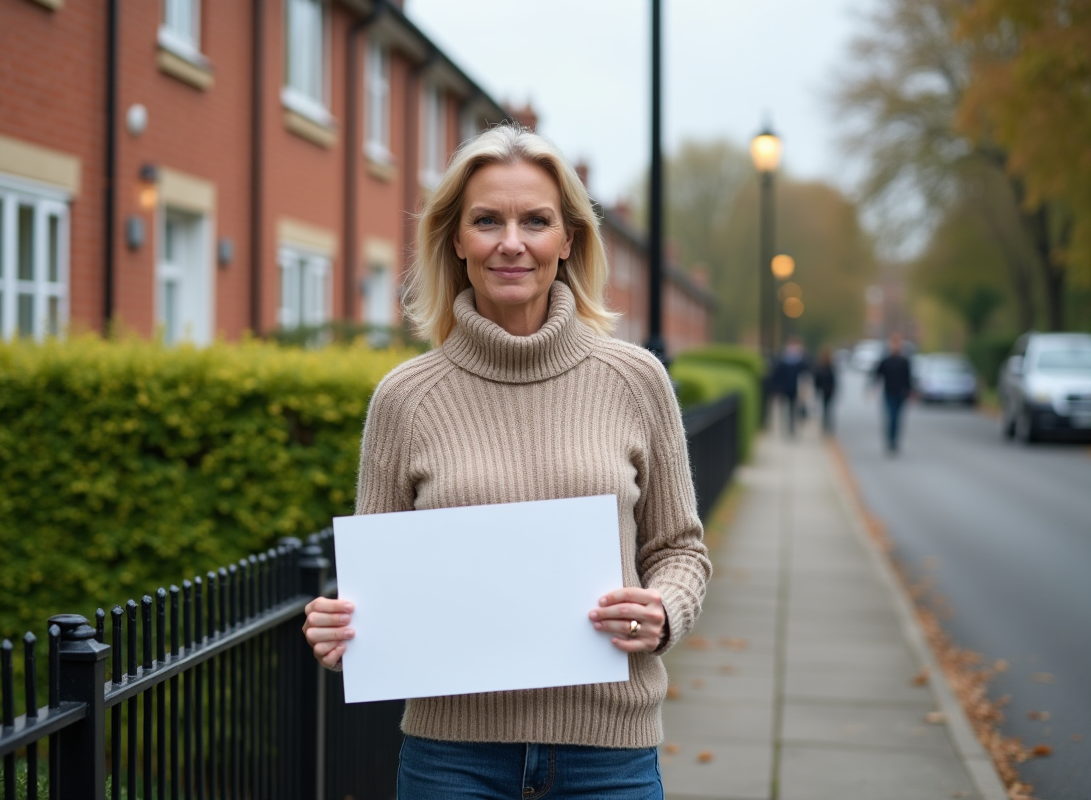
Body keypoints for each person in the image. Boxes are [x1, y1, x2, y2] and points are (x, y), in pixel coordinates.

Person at [302, 124, 712, 798]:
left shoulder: (636, 380)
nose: (512, 242)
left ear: (569, 239)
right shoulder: (404, 399)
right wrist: (342, 626)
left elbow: (680, 550)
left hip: (609, 756)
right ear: (457, 240)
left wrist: (663, 609)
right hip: (451, 760)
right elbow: (376, 590)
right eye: (487, 220)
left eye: (536, 221)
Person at [870, 333, 913, 453]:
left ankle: (895, 440)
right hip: (889, 393)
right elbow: (877, 375)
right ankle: (890, 440)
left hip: (901, 394)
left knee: (898, 418)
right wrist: (872, 388)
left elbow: (908, 378)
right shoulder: (886, 361)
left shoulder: (904, 361)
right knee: (891, 416)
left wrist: (911, 392)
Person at [770, 336, 809, 437]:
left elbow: (805, 375)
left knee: (793, 408)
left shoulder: (801, 360)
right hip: (784, 388)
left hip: (795, 389)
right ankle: (787, 427)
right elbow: (777, 375)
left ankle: (792, 427)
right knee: (785, 408)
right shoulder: (783, 360)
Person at [814, 346, 837, 435]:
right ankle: (826, 425)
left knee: (827, 407)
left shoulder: (829, 366)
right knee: (827, 407)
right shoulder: (824, 366)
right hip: (826, 389)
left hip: (827, 389)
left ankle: (827, 425)